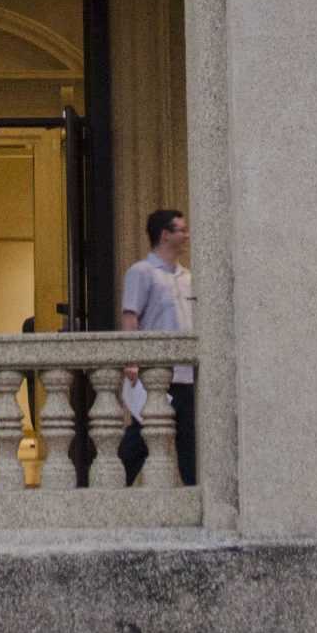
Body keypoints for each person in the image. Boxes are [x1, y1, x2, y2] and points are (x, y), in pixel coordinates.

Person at [116, 207, 195, 486]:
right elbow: (130, 316)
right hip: (155, 373)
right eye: (181, 230)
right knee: (143, 435)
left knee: (189, 439)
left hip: (186, 373)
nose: (186, 236)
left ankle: (192, 491)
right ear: (165, 235)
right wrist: (132, 360)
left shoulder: (187, 277)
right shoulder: (142, 272)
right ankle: (112, 484)